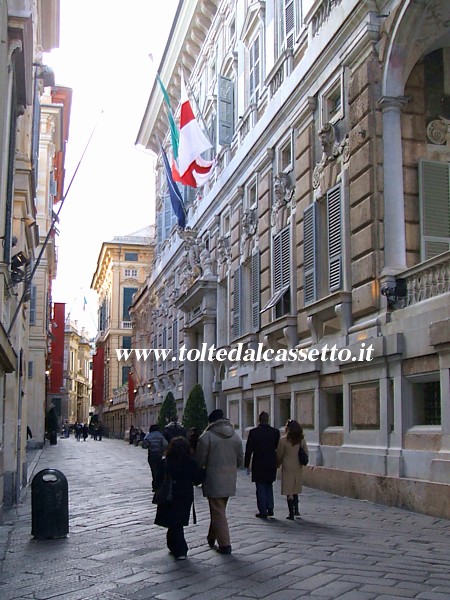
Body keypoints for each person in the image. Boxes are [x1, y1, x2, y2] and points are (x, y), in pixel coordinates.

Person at [196, 409, 243, 555]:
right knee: (219, 510)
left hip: (213, 478)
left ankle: (225, 544)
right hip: (230, 479)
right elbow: (240, 460)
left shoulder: (206, 437)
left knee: (218, 511)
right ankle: (211, 537)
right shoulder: (235, 436)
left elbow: (200, 460)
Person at [154, 436, 203, 560]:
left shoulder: (166, 461)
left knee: (174, 522)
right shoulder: (191, 462)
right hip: (185, 495)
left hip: (170, 495)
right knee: (178, 522)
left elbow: (157, 479)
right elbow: (197, 479)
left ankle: (180, 549)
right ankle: (176, 547)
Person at [244, 411, 280, 519]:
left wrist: (246, 464)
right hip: (271, 462)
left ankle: (263, 510)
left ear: (259, 420)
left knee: (260, 486)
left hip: (258, 462)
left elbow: (249, 449)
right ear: (268, 419)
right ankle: (270, 507)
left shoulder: (254, 432)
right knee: (269, 485)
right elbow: (277, 447)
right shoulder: (275, 432)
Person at [276, 419, 309, 520]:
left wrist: (277, 464)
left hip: (287, 466)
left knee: (288, 489)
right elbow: (306, 453)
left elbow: (279, 454)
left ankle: (291, 513)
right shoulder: (301, 440)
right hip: (297, 466)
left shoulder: (283, 440)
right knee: (295, 487)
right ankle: (296, 509)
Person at [144, 424, 168, 491]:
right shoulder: (160, 435)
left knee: (153, 470)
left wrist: (150, 446)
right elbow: (165, 444)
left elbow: (144, 445)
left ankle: (154, 485)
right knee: (159, 469)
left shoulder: (148, 435)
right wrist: (162, 450)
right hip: (159, 455)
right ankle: (159, 484)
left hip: (151, 454)